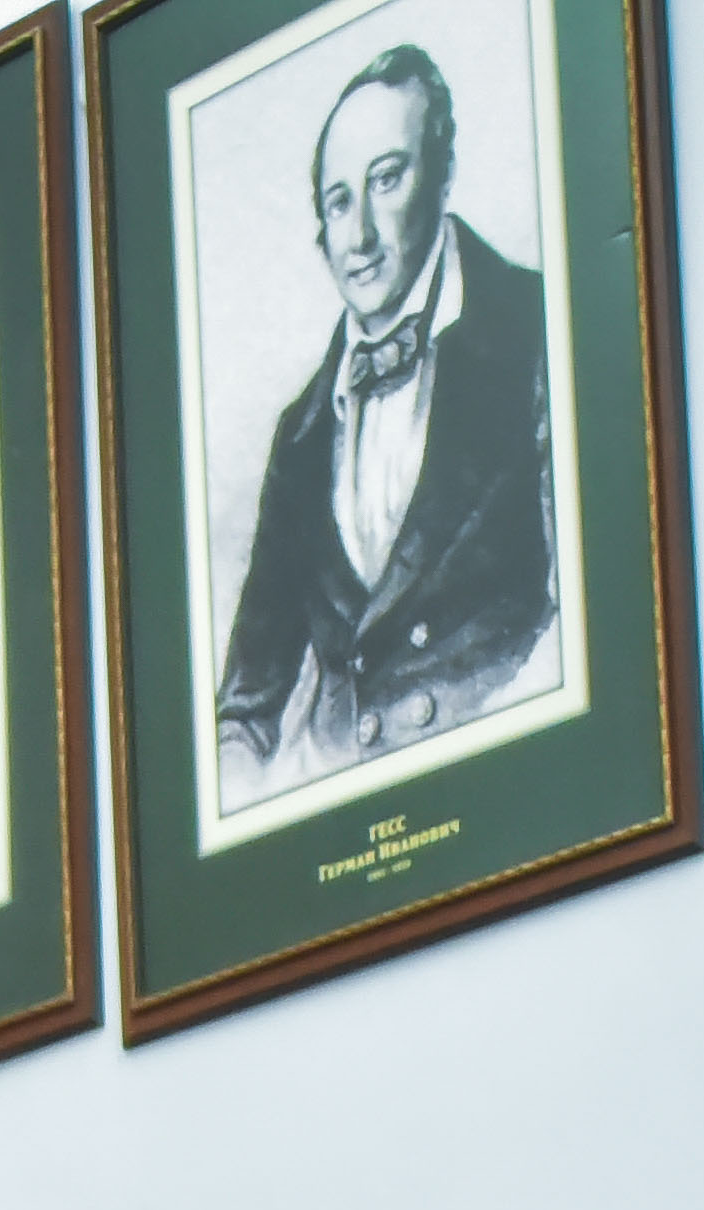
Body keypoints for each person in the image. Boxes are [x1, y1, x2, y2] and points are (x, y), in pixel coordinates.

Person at [215, 44, 560, 792]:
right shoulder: (301, 436)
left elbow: (587, 621)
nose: (361, 235)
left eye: (387, 180)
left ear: (441, 177)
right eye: (339, 203)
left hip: (497, 780)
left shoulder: (539, 333)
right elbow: (243, 711)